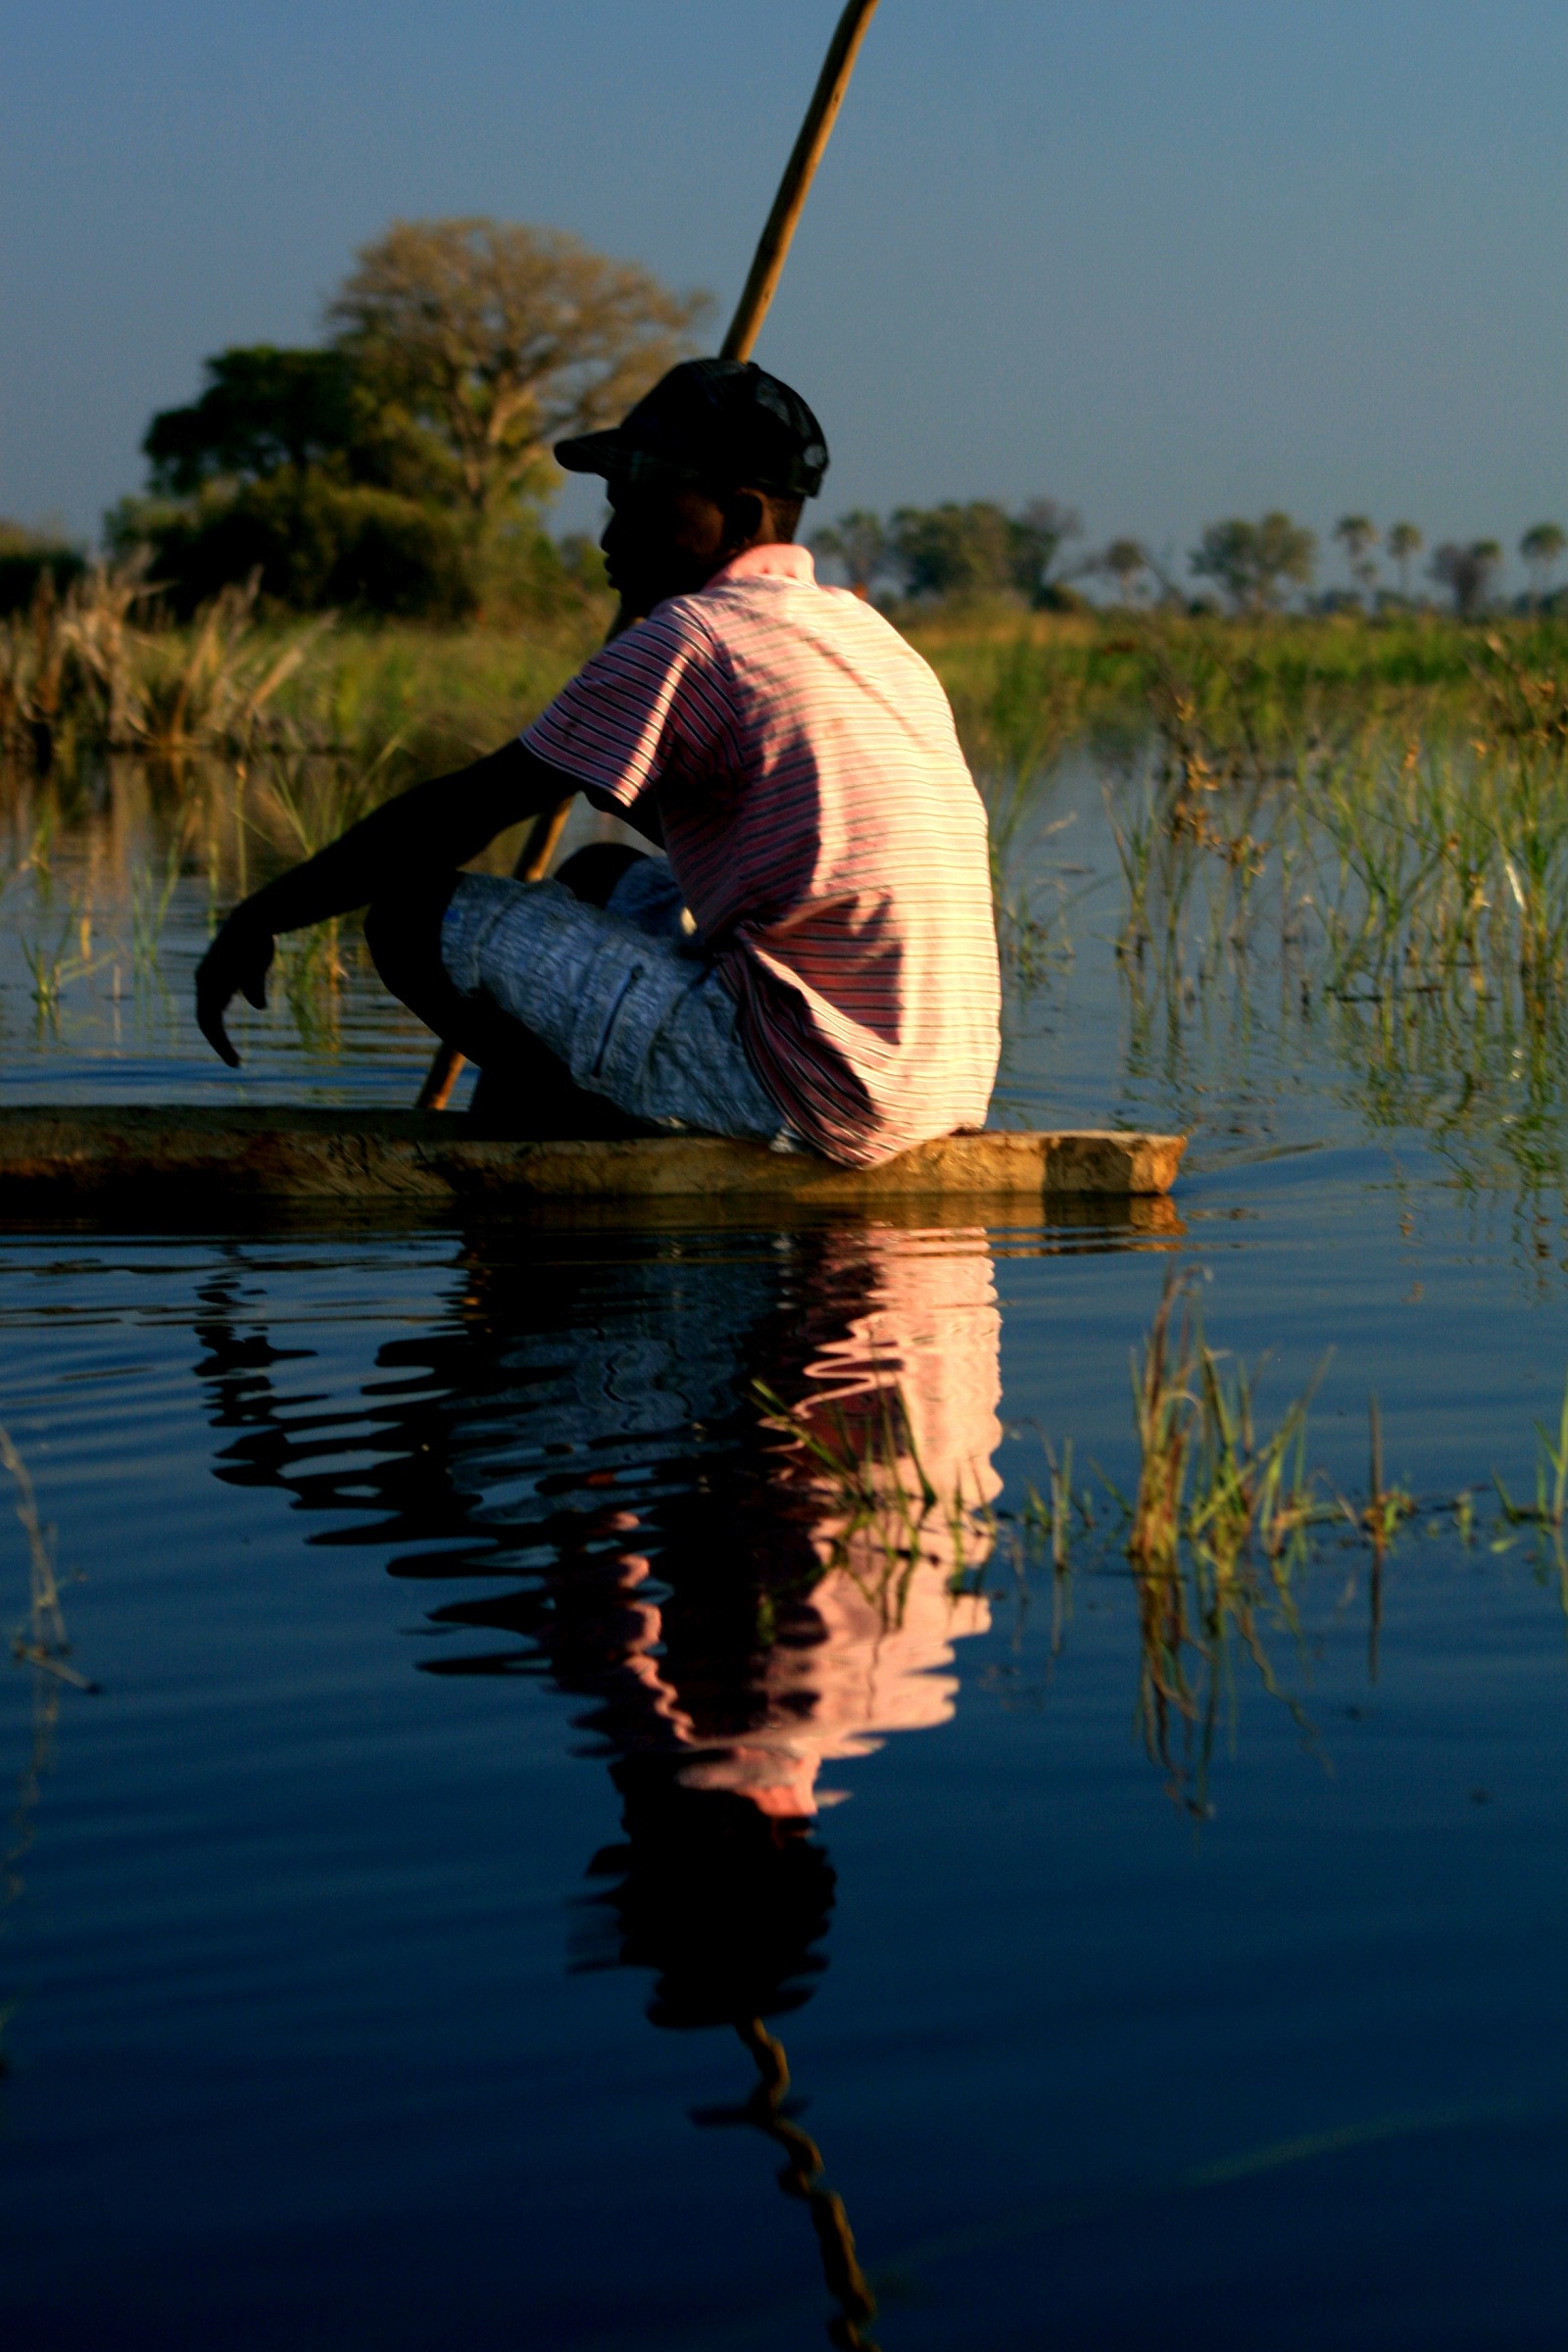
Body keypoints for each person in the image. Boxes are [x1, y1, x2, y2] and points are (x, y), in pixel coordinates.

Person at [195, 359, 1001, 1167]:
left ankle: (559, 1154)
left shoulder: (693, 635)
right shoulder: (868, 638)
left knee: (408, 916)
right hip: (943, 1084)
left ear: (741, 513)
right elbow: (742, 833)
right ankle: (571, 1120)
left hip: (812, 1087)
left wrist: (262, 915)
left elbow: (466, 812)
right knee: (599, 879)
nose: (612, 537)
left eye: (644, 505)